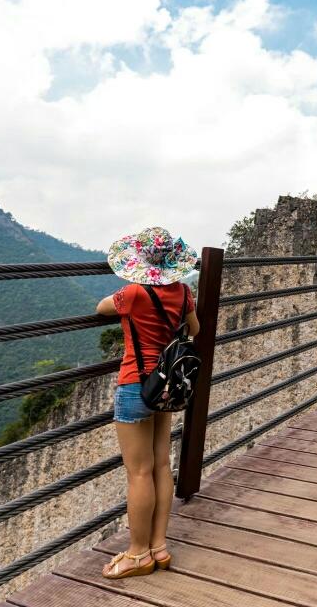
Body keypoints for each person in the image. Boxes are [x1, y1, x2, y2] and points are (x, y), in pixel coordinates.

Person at [95, 227, 200, 579]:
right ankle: (159, 547)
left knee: (138, 472)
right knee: (158, 466)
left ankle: (138, 554)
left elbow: (101, 308)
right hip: (166, 386)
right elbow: (195, 329)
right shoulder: (184, 293)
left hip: (134, 384)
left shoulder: (134, 293)